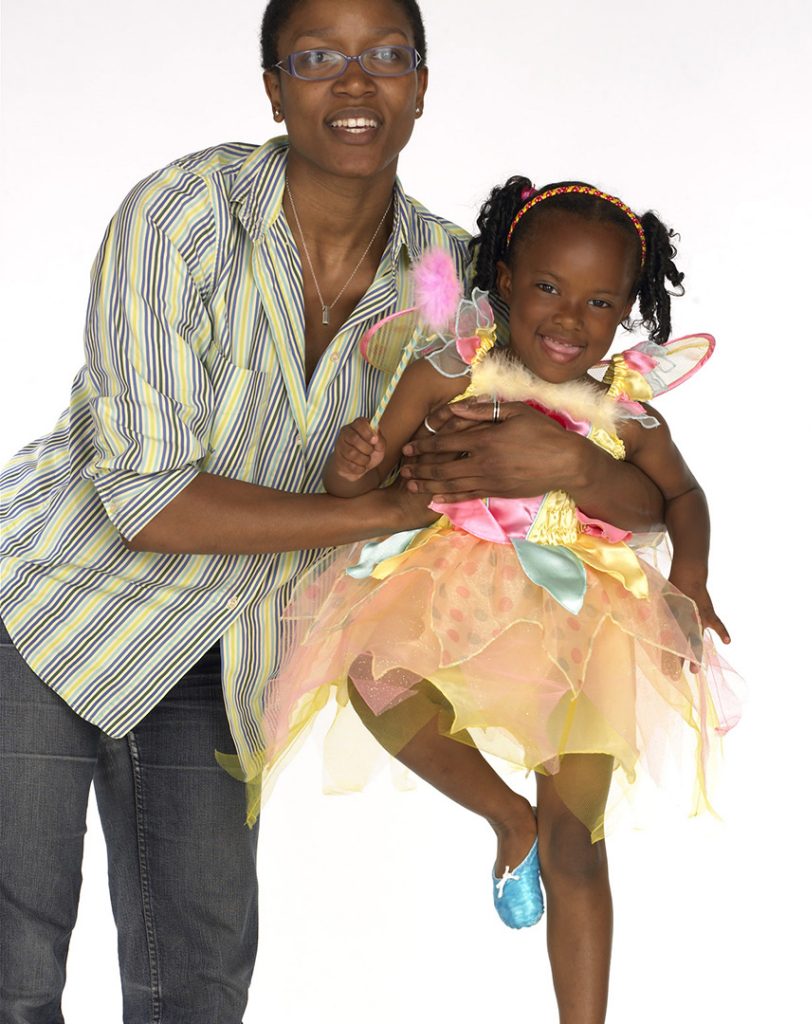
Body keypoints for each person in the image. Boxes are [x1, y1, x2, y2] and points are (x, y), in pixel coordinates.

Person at [0, 3, 669, 1022]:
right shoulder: (181, 214)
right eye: (316, 58)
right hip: (49, 612)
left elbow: (649, 498)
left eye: (384, 57)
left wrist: (563, 463)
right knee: (12, 967)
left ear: (422, 81)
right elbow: (145, 500)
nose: (354, 84)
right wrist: (384, 508)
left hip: (231, 656)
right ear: (272, 84)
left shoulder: (465, 287)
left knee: (198, 986)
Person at [259, 176, 742, 1024]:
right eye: (548, 287)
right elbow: (372, 473)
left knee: (579, 837)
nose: (568, 318)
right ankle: (502, 816)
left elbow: (684, 499)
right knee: (373, 677)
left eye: (599, 302)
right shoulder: (453, 368)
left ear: (628, 310)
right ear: (507, 280)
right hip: (455, 595)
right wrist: (353, 462)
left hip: (584, 628)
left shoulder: (621, 415)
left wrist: (691, 578)